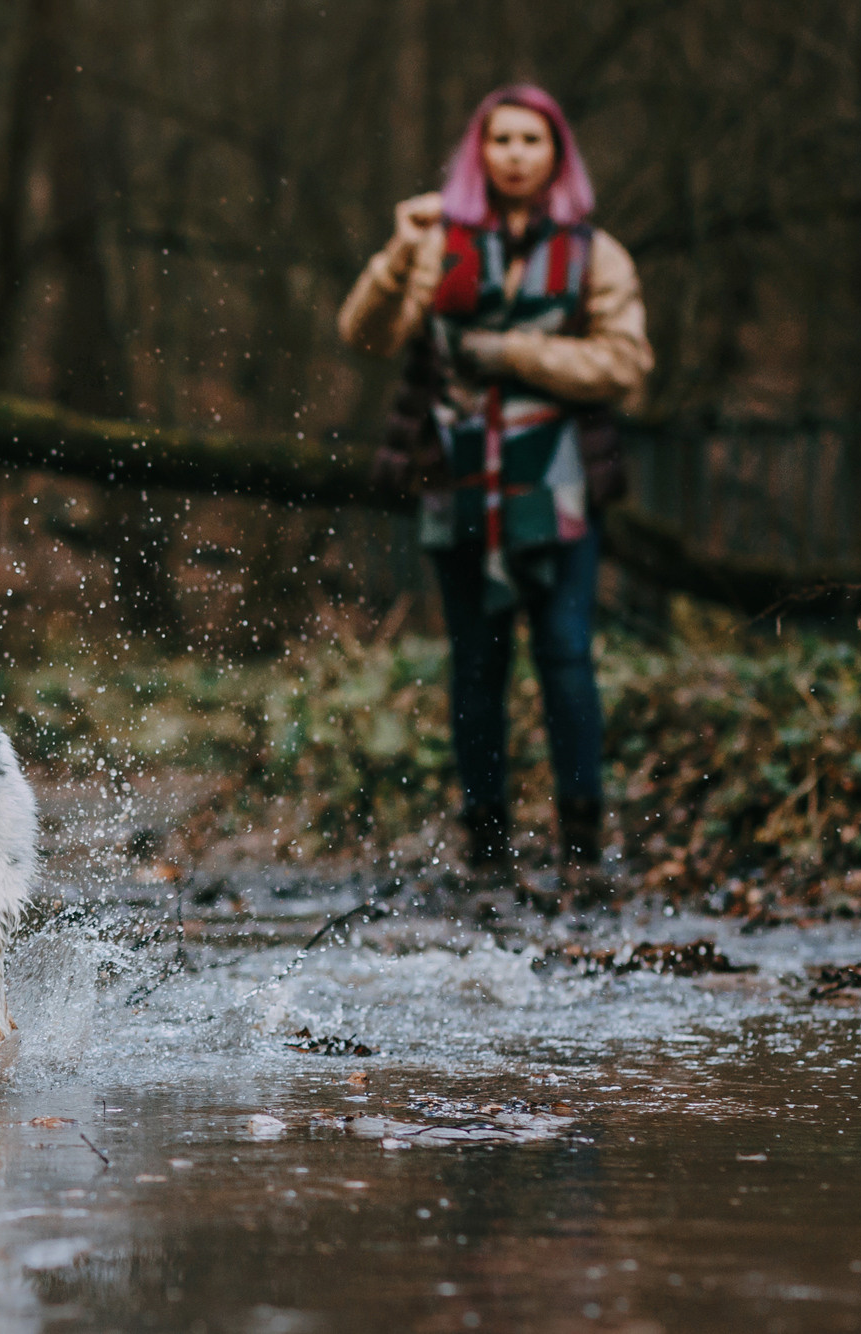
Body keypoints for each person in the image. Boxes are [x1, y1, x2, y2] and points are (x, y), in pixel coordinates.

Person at [337, 85, 653, 875]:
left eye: (531, 140)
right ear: (479, 152)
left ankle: (581, 842)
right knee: (476, 665)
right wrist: (397, 249)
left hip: (561, 484)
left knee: (566, 657)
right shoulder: (436, 242)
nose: (515, 154)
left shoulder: (596, 254)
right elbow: (366, 334)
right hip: (458, 481)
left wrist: (511, 354)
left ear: (556, 154)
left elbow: (624, 363)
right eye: (501, 139)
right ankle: (486, 846)